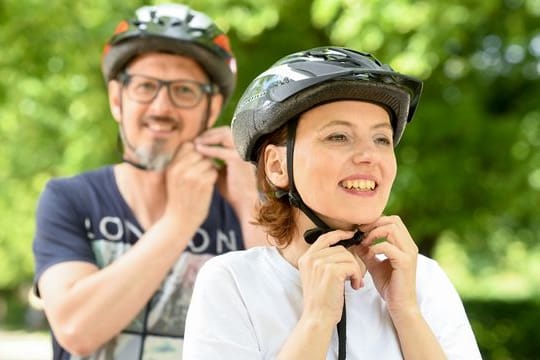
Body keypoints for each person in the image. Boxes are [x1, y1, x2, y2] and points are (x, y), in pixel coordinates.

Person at [183, 46, 483, 359]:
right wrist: (317, 319)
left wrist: (406, 311)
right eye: (339, 136)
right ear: (277, 166)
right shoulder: (233, 283)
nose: (369, 156)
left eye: (381, 139)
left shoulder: (424, 281)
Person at [32, 3, 265, 359]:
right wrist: (179, 222)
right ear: (116, 99)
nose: (161, 108)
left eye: (184, 91)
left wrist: (252, 201)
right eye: (144, 87)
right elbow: (76, 331)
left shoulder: (242, 201)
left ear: (213, 107)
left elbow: (280, 324)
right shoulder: (70, 198)